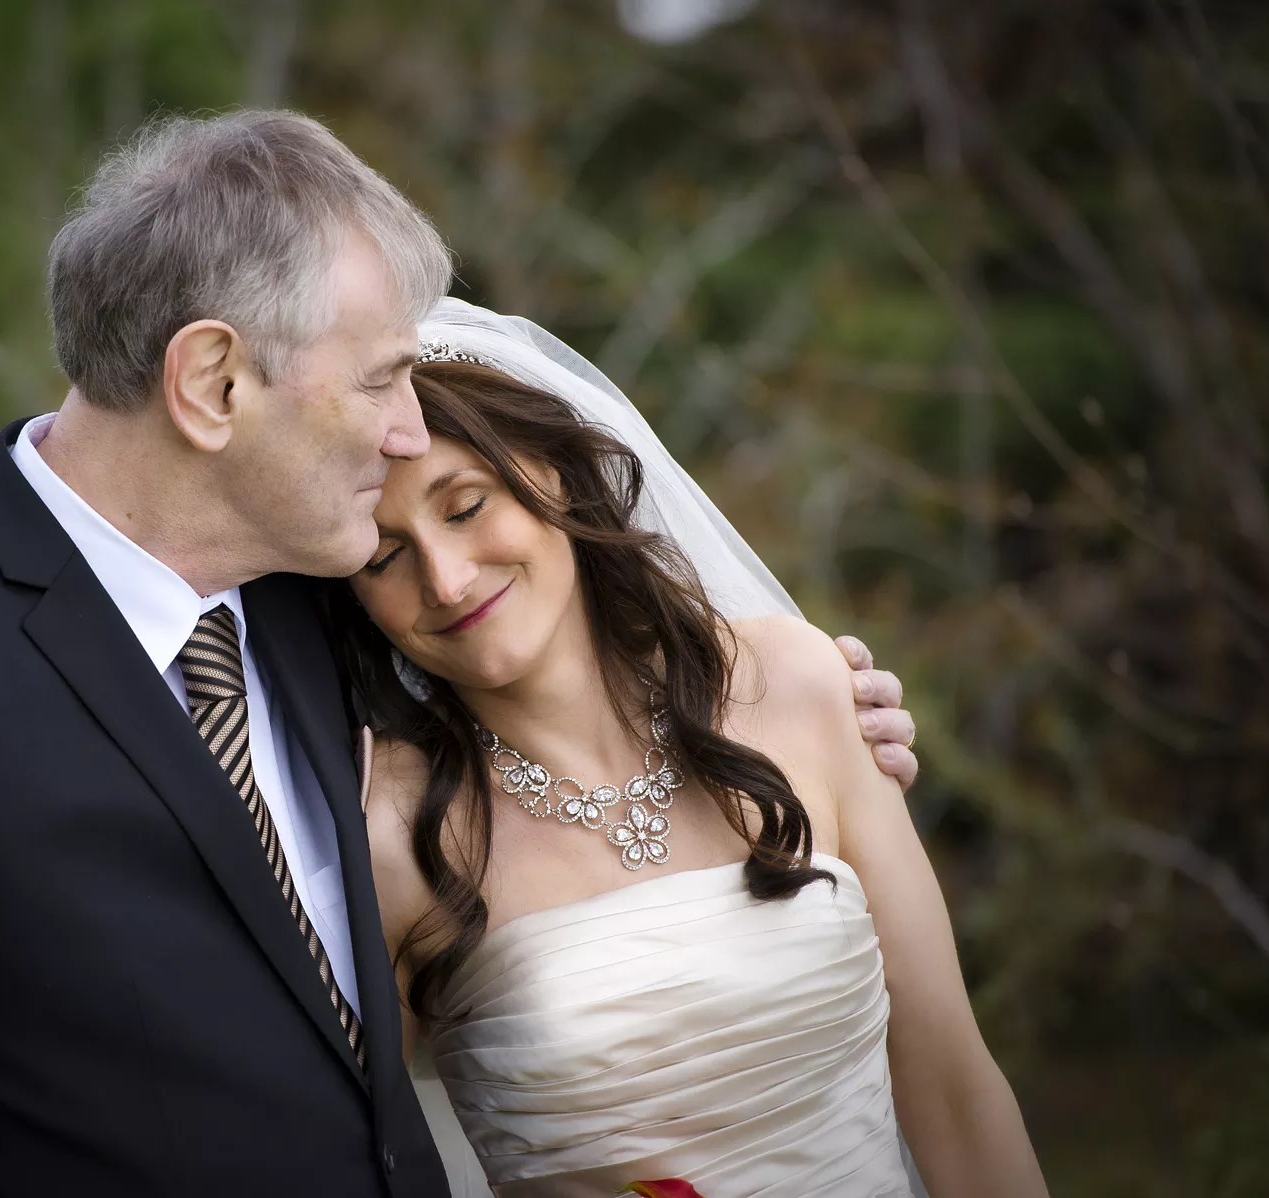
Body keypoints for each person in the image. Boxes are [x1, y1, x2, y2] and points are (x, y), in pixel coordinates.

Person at [0, 111, 919, 1195]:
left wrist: (813, 718)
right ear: (214, 383)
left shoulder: (311, 607)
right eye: (381, 382)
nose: (410, 430)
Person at [329, 300, 1047, 1197]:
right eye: (383, 558)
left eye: (466, 507)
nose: (446, 578)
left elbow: (957, 1091)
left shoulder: (798, 684)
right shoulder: (390, 834)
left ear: (554, 471)